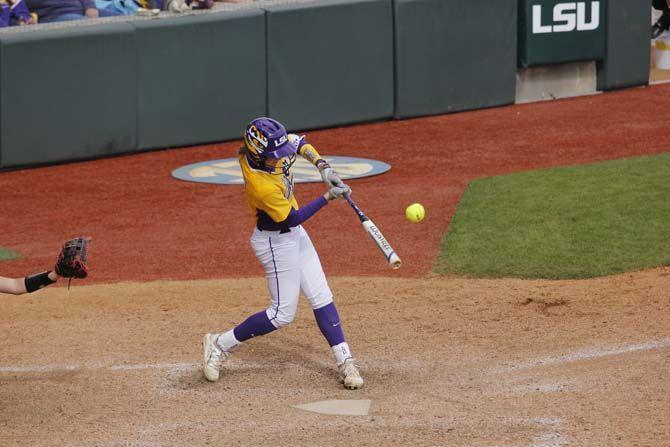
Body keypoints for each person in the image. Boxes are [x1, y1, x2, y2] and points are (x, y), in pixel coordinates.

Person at [202, 117, 364, 390]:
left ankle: (345, 361)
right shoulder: (259, 184)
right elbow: (292, 218)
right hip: (275, 242)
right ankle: (218, 344)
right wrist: (327, 197)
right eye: (274, 156)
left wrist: (324, 167)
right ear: (258, 153)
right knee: (281, 314)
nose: (280, 159)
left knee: (321, 295)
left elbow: (299, 142)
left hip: (294, 236)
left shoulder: (269, 149)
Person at [25, 0, 121, 23]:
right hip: (55, 16)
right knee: (88, 26)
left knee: (124, 20)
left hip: (82, 10)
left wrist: (90, 7)